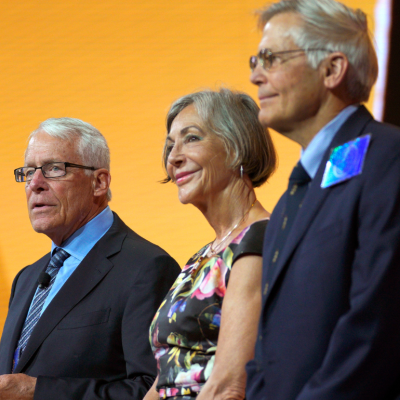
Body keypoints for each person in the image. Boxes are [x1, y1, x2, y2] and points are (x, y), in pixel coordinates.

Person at [246, 0, 400, 399]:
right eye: (255, 60)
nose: (256, 76)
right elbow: (268, 346)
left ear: (332, 69)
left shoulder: (388, 158)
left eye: (272, 58)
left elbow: (377, 323)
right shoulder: (289, 199)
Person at [0, 117, 180, 400]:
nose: (35, 183)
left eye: (54, 169)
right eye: (28, 171)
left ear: (99, 182)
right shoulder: (25, 278)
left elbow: (154, 388)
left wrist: (36, 391)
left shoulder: (146, 268)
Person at [143, 88, 277, 400]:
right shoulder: (201, 258)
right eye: (170, 145)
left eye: (191, 138)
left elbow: (229, 387)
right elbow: (163, 379)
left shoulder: (258, 241)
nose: (173, 158)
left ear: (236, 147)